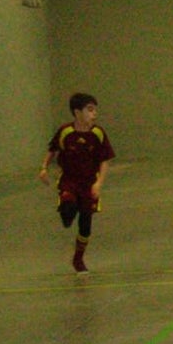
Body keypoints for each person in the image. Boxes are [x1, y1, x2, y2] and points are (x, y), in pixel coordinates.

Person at [38, 92, 116, 273]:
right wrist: (43, 168)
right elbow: (52, 149)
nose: (94, 113)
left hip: (89, 184)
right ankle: (67, 211)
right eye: (90, 110)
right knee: (68, 212)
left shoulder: (98, 133)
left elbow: (105, 160)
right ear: (77, 112)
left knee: (85, 225)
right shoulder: (65, 131)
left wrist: (99, 184)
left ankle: (78, 259)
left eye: (95, 110)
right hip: (69, 182)